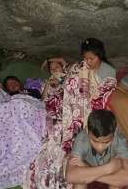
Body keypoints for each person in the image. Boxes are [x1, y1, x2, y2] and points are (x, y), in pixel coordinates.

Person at [25, 38, 117, 189]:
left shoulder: (108, 70)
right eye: (85, 58)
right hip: (68, 103)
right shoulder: (80, 66)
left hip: (84, 105)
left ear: (100, 56)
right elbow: (67, 73)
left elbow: (102, 94)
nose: (88, 61)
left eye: (91, 58)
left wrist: (84, 85)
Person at [65, 109, 128, 189]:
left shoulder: (120, 139)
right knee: (79, 183)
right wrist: (108, 169)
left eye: (106, 142)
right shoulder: (82, 138)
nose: (100, 147)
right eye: (94, 141)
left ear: (115, 131)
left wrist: (88, 169)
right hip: (101, 176)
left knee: (116, 185)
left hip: (102, 178)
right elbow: (70, 176)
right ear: (87, 130)